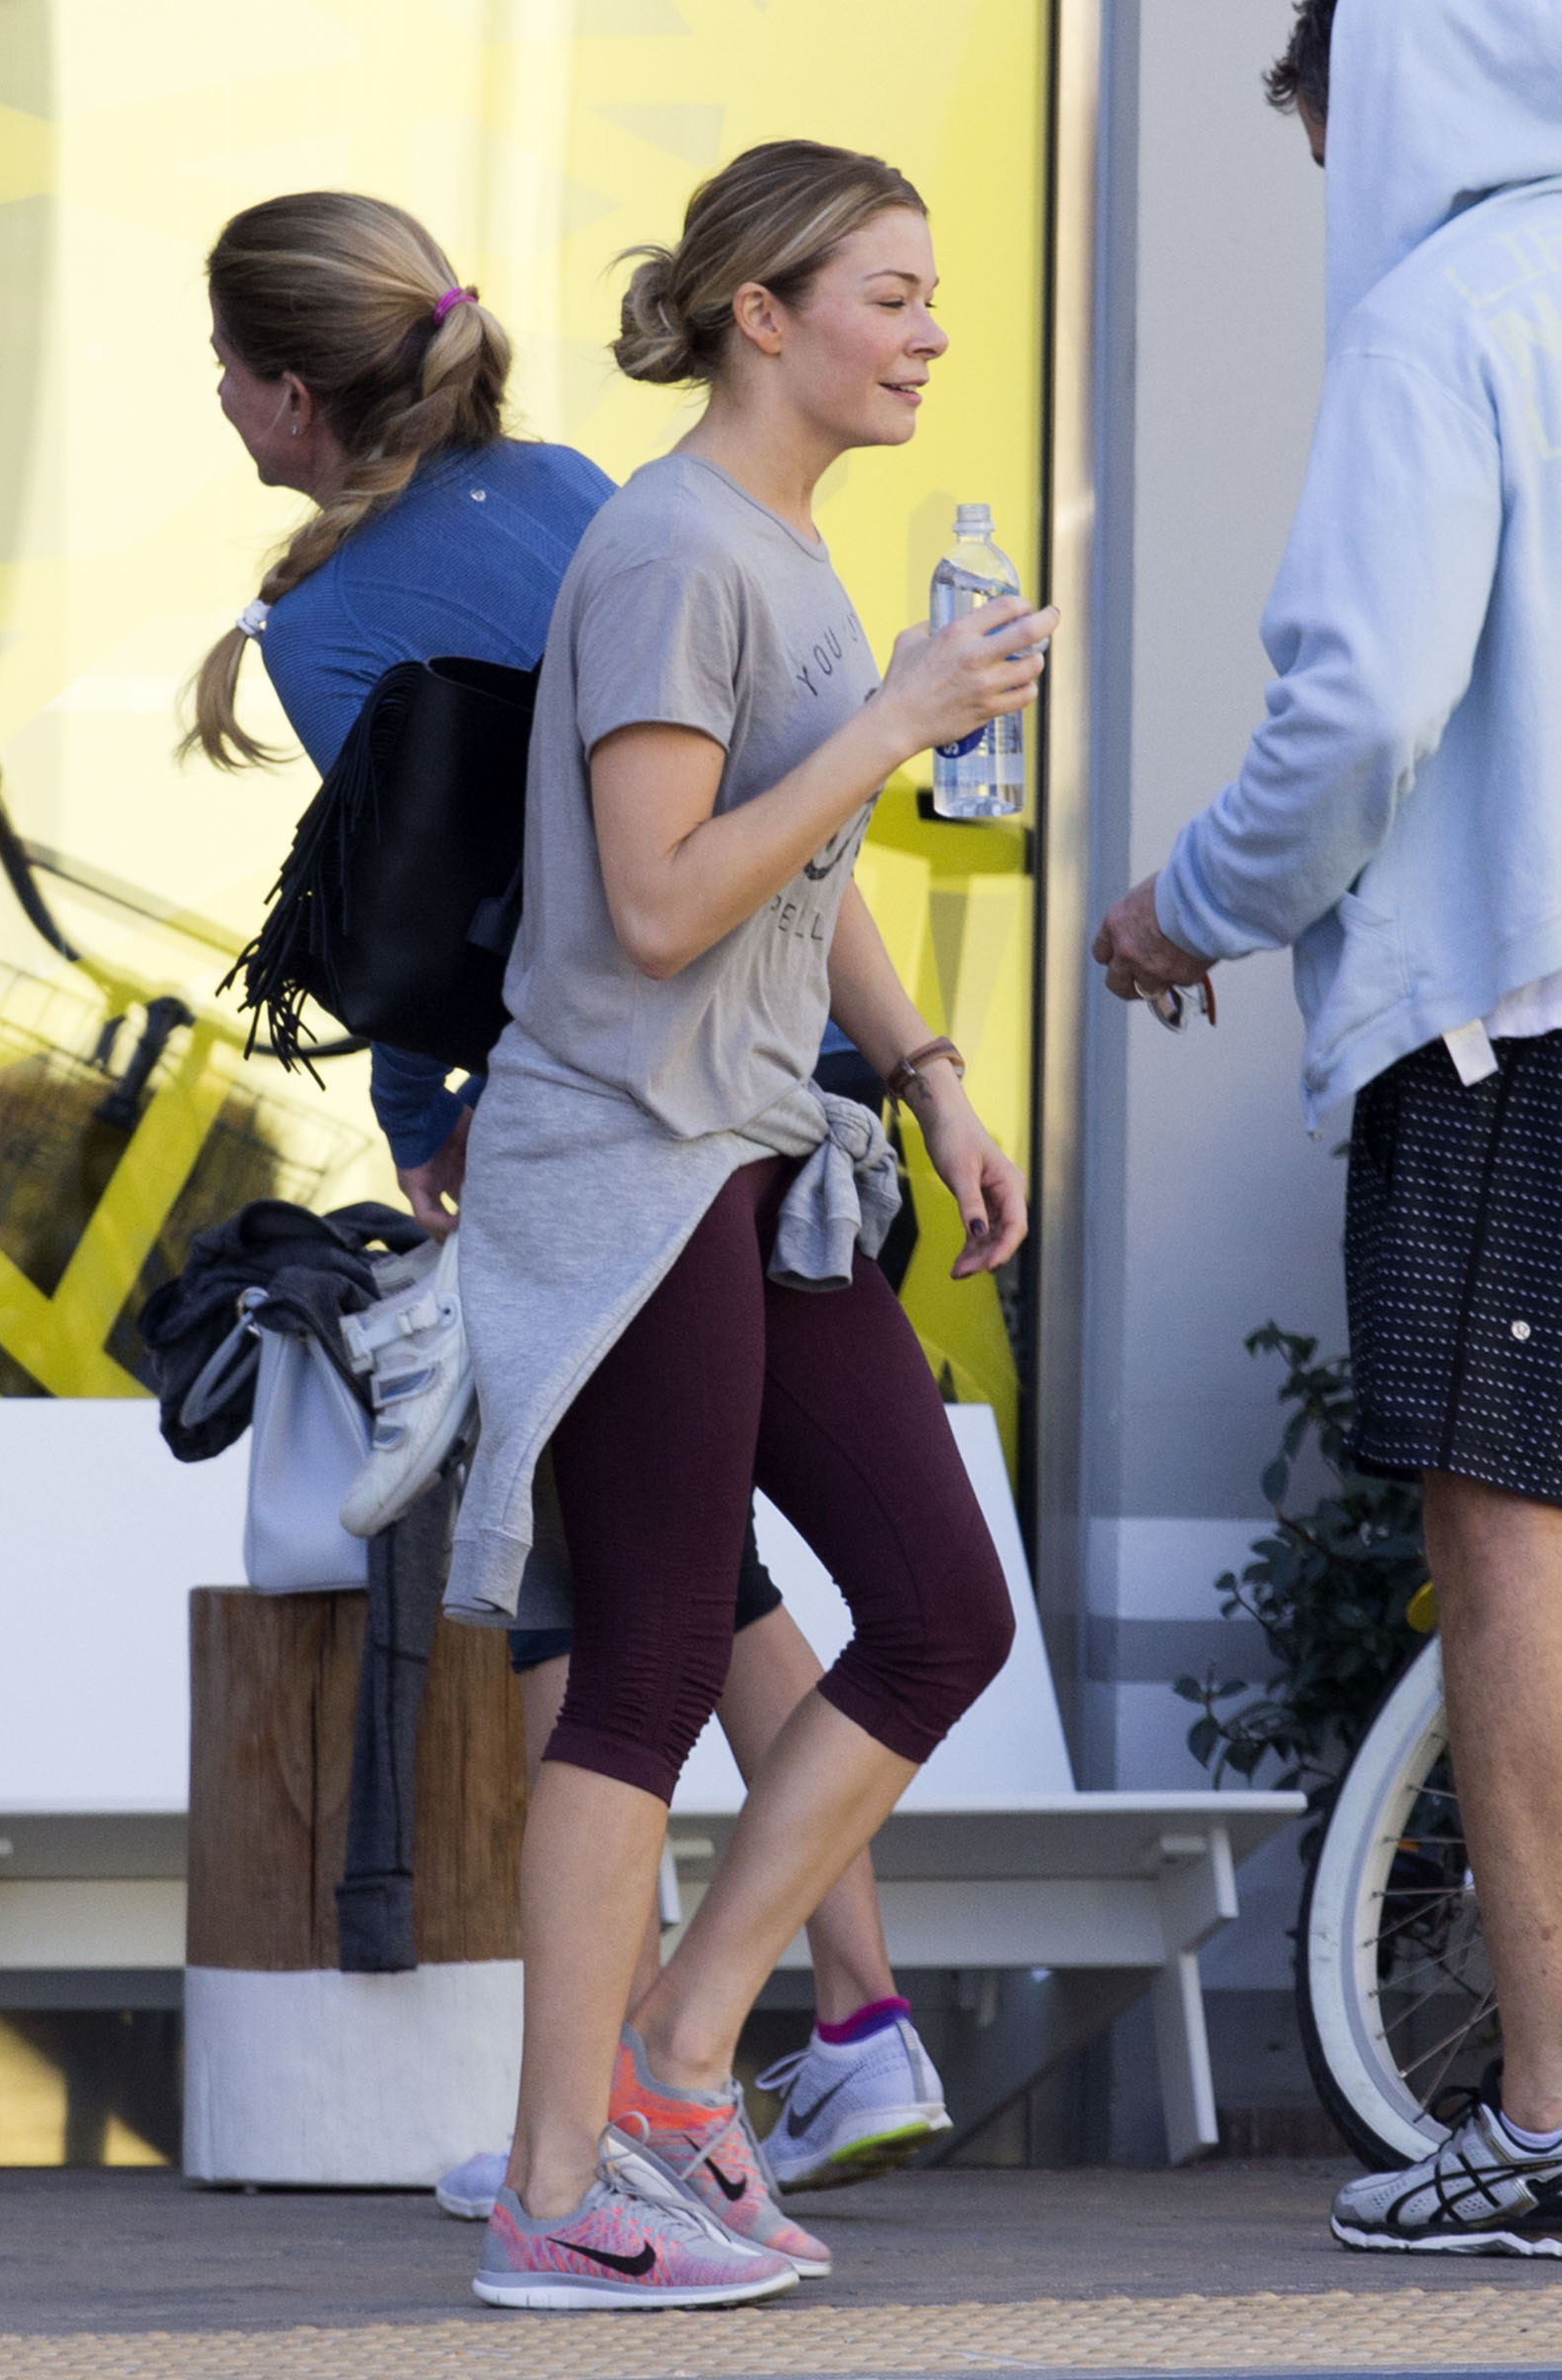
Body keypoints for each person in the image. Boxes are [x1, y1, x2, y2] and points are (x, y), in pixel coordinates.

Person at [189, 187, 949, 2222]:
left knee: (619, 1618)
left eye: (225, 373)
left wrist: (426, 1118)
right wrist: (926, 1061)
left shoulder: (356, 612)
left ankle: (619, 2107)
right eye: (894, 296)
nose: (223, 405)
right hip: (763, 1087)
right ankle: (774, 2046)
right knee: (701, 1597)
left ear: (290, 396)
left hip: (623, 1113)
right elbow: (734, 830)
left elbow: (458, 900)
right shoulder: (593, 497)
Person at [454, 136, 1049, 2313]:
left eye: (933, 293)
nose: (931, 334)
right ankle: (554, 2191)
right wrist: (895, 718)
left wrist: (928, 1069)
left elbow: (794, 876)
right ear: (760, 315)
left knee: (939, 1610)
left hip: (765, 1155)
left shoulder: (785, 546)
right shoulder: (670, 550)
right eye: (890, 295)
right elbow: (659, 898)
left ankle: (684, 2060)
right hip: (632, 1164)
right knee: (641, 1662)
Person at [1094, 0, 1562, 2256]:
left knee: (1513, 1549)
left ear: (1367, 93)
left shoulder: (1443, 313)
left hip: (1509, 1024)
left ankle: (1546, 2114)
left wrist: (1179, 907)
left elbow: (1362, 709)